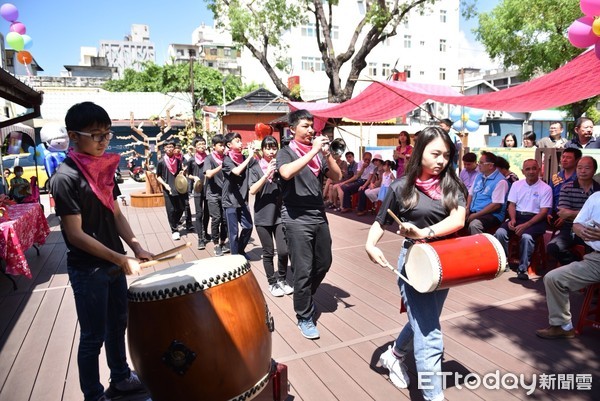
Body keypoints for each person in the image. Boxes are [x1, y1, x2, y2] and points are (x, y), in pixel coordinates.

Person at [50, 101, 152, 401]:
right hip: (88, 269)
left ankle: (120, 377)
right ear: (73, 135)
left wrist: (135, 245)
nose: (103, 141)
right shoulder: (64, 178)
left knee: (118, 325)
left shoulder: (105, 168)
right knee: (93, 336)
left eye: (107, 134)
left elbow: (117, 215)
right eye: (96, 135)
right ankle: (93, 395)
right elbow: (76, 235)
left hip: (113, 263)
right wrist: (120, 258)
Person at [365, 126, 467, 401]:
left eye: (446, 155)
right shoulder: (401, 187)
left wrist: (425, 233)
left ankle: (394, 354)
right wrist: (369, 244)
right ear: (419, 151)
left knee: (424, 320)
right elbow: (381, 220)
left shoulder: (453, 185)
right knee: (430, 331)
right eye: (435, 153)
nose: (441, 161)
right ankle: (433, 395)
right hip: (413, 263)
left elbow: (458, 220)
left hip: (445, 262)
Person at [276, 109, 342, 340]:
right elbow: (285, 173)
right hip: (295, 217)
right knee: (302, 269)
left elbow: (337, 177)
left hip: (318, 214)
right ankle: (304, 315)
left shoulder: (317, 155)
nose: (310, 130)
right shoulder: (285, 152)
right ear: (292, 129)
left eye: (311, 126)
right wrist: (313, 151)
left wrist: (327, 155)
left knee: (324, 262)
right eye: (305, 126)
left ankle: (303, 296)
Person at [536, 191, 600, 339]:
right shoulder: (596, 197)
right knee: (553, 278)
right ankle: (563, 326)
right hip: (596, 259)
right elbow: (577, 223)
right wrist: (582, 231)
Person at [249, 135, 293, 297]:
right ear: (262, 150)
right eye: (268, 148)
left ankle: (281, 278)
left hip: (280, 214)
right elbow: (252, 190)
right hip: (262, 216)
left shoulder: (282, 166)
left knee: (283, 250)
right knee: (268, 252)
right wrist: (267, 173)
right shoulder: (255, 167)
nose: (271, 151)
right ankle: (272, 283)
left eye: (274, 147)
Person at [494, 159, 552, 280]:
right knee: (500, 232)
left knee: (526, 237)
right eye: (528, 169)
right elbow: (511, 205)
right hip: (518, 216)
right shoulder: (516, 185)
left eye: (534, 168)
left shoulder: (546, 188)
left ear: (539, 170)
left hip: (536, 219)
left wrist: (526, 225)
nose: (531, 171)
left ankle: (522, 268)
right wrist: (512, 219)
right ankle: (504, 262)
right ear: (523, 171)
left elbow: (543, 212)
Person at [547, 156, 600, 267]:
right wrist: (585, 214)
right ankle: (575, 265)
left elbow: (568, 213)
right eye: (580, 168)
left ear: (594, 170)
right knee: (553, 247)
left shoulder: (598, 190)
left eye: (587, 168)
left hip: (592, 230)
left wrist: (572, 213)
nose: (583, 171)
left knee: (594, 252)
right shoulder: (567, 187)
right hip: (569, 228)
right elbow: (563, 214)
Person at [221, 132, 256, 257]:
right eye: (237, 141)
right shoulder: (226, 160)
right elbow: (236, 171)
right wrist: (249, 157)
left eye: (241, 141)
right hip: (230, 200)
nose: (241, 143)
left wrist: (254, 154)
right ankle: (235, 257)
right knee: (233, 232)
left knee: (248, 226)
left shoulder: (244, 158)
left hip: (242, 199)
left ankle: (240, 250)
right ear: (229, 145)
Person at [465, 151, 509, 235]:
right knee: (456, 219)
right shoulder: (479, 176)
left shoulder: (501, 181)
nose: (479, 165)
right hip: (474, 210)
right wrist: (467, 208)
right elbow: (471, 193)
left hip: (492, 214)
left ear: (490, 165)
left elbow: (496, 205)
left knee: (475, 225)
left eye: (481, 163)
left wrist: (476, 215)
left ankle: (479, 247)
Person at [204, 134, 230, 256]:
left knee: (225, 220)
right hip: (213, 195)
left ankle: (223, 242)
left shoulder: (227, 157)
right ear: (214, 146)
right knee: (216, 219)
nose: (223, 148)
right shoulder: (209, 159)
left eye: (224, 145)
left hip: (226, 194)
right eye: (220, 145)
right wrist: (221, 166)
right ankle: (215, 244)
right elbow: (208, 174)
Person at [156, 141, 186, 240]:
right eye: (167, 147)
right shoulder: (161, 162)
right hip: (167, 189)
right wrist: (165, 185)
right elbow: (158, 176)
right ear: (164, 149)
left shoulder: (178, 161)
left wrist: (182, 172)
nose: (169, 149)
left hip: (178, 188)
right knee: (171, 210)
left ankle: (175, 222)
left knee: (181, 208)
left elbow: (179, 173)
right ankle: (174, 230)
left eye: (171, 147)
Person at [186, 136, 209, 250]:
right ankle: (200, 238)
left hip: (209, 189)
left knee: (207, 213)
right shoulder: (191, 160)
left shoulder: (209, 158)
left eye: (203, 144)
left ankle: (205, 232)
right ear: (195, 147)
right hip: (198, 190)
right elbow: (188, 174)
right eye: (199, 144)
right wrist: (194, 177)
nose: (202, 146)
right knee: (199, 214)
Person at [548, 148, 582, 225]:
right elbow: (549, 197)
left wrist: (566, 216)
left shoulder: (580, 178)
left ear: (577, 160)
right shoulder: (555, 177)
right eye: (563, 157)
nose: (564, 160)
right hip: (554, 214)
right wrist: (548, 213)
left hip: (573, 217)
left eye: (569, 158)